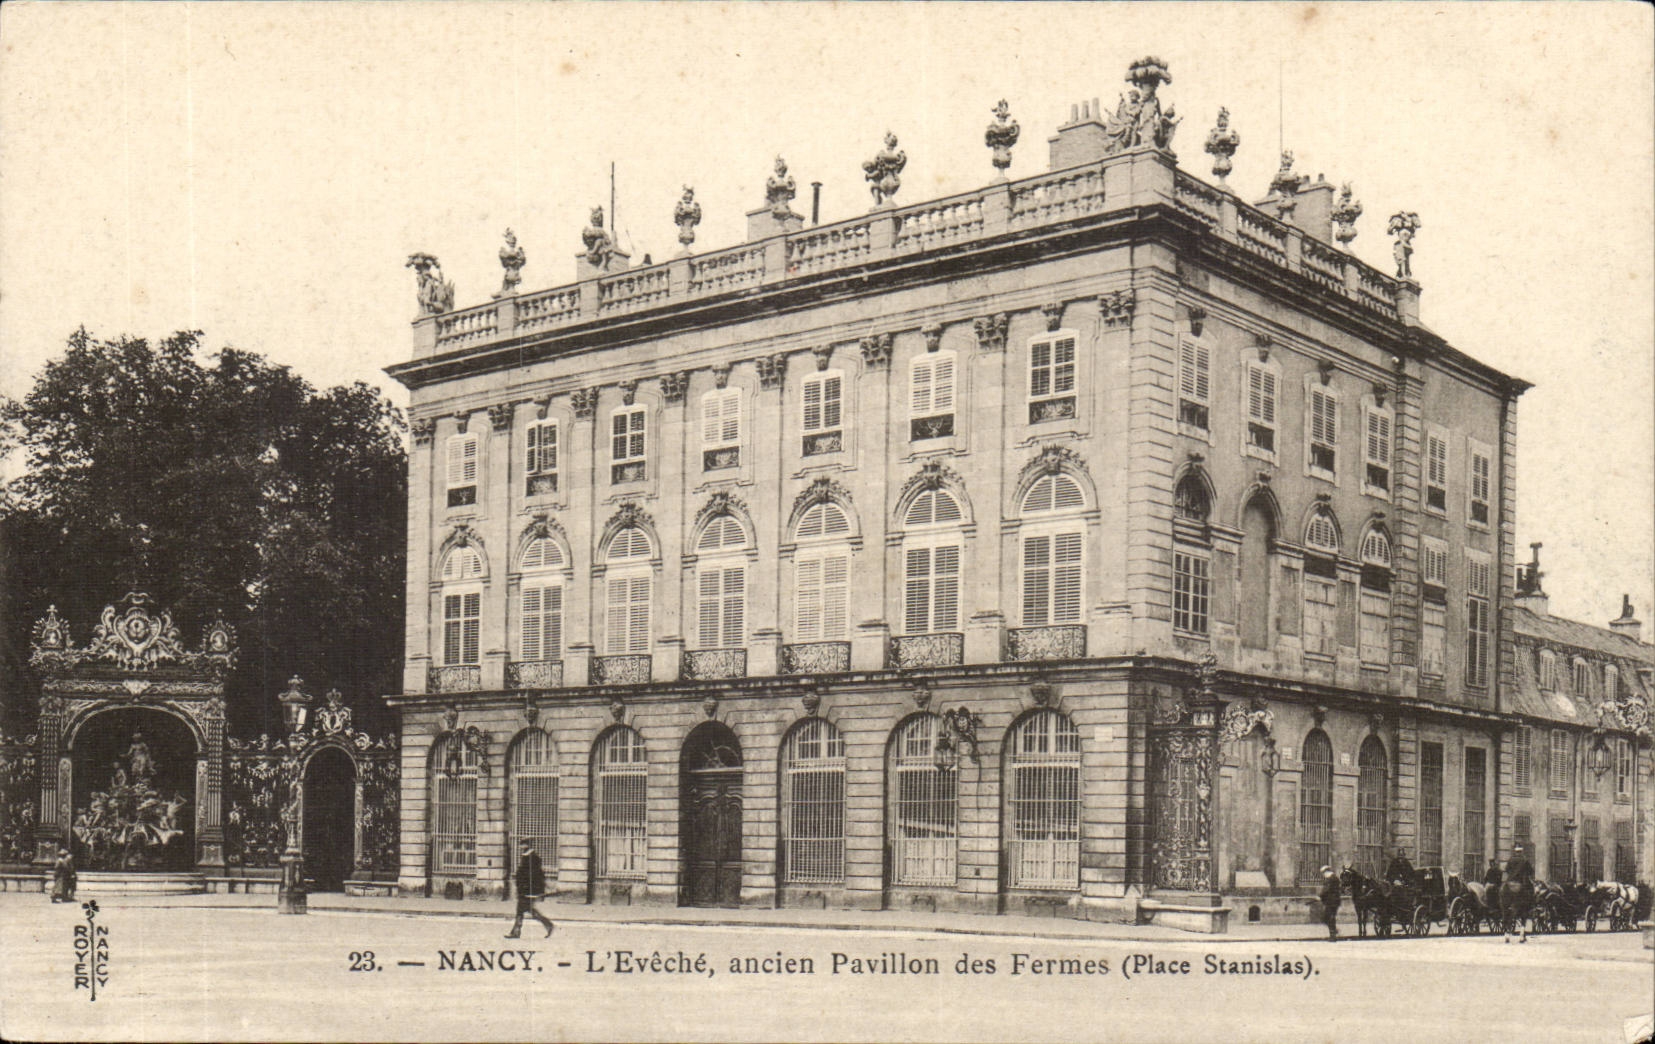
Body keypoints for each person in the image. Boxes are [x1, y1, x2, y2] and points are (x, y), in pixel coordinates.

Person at [505, 841, 554, 939]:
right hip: (525, 889)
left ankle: (516, 932)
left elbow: (533, 874)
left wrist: (525, 887)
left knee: (522, 909)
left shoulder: (531, 857)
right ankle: (547, 924)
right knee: (526, 909)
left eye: (522, 844)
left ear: (527, 845)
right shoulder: (528, 856)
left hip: (527, 889)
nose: (521, 846)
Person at [1318, 866, 1341, 941]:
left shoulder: (1331, 879)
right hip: (1333, 901)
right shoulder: (1334, 878)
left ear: (1327, 872)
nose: (1323, 875)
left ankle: (1333, 935)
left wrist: (1320, 896)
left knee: (1329, 917)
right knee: (1328, 917)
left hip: (1332, 901)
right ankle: (1333, 932)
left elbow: (1326, 889)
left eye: (1323, 873)